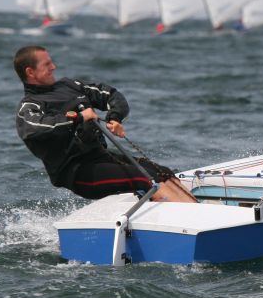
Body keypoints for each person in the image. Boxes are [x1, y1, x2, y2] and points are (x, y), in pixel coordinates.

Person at [13, 45, 195, 202]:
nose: (54, 67)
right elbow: (35, 128)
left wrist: (115, 118)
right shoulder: (30, 105)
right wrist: (78, 117)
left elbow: (111, 95)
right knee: (146, 178)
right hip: (78, 172)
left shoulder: (69, 85)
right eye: (47, 65)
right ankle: (185, 220)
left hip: (102, 157)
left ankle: (195, 211)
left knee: (162, 172)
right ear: (30, 72)